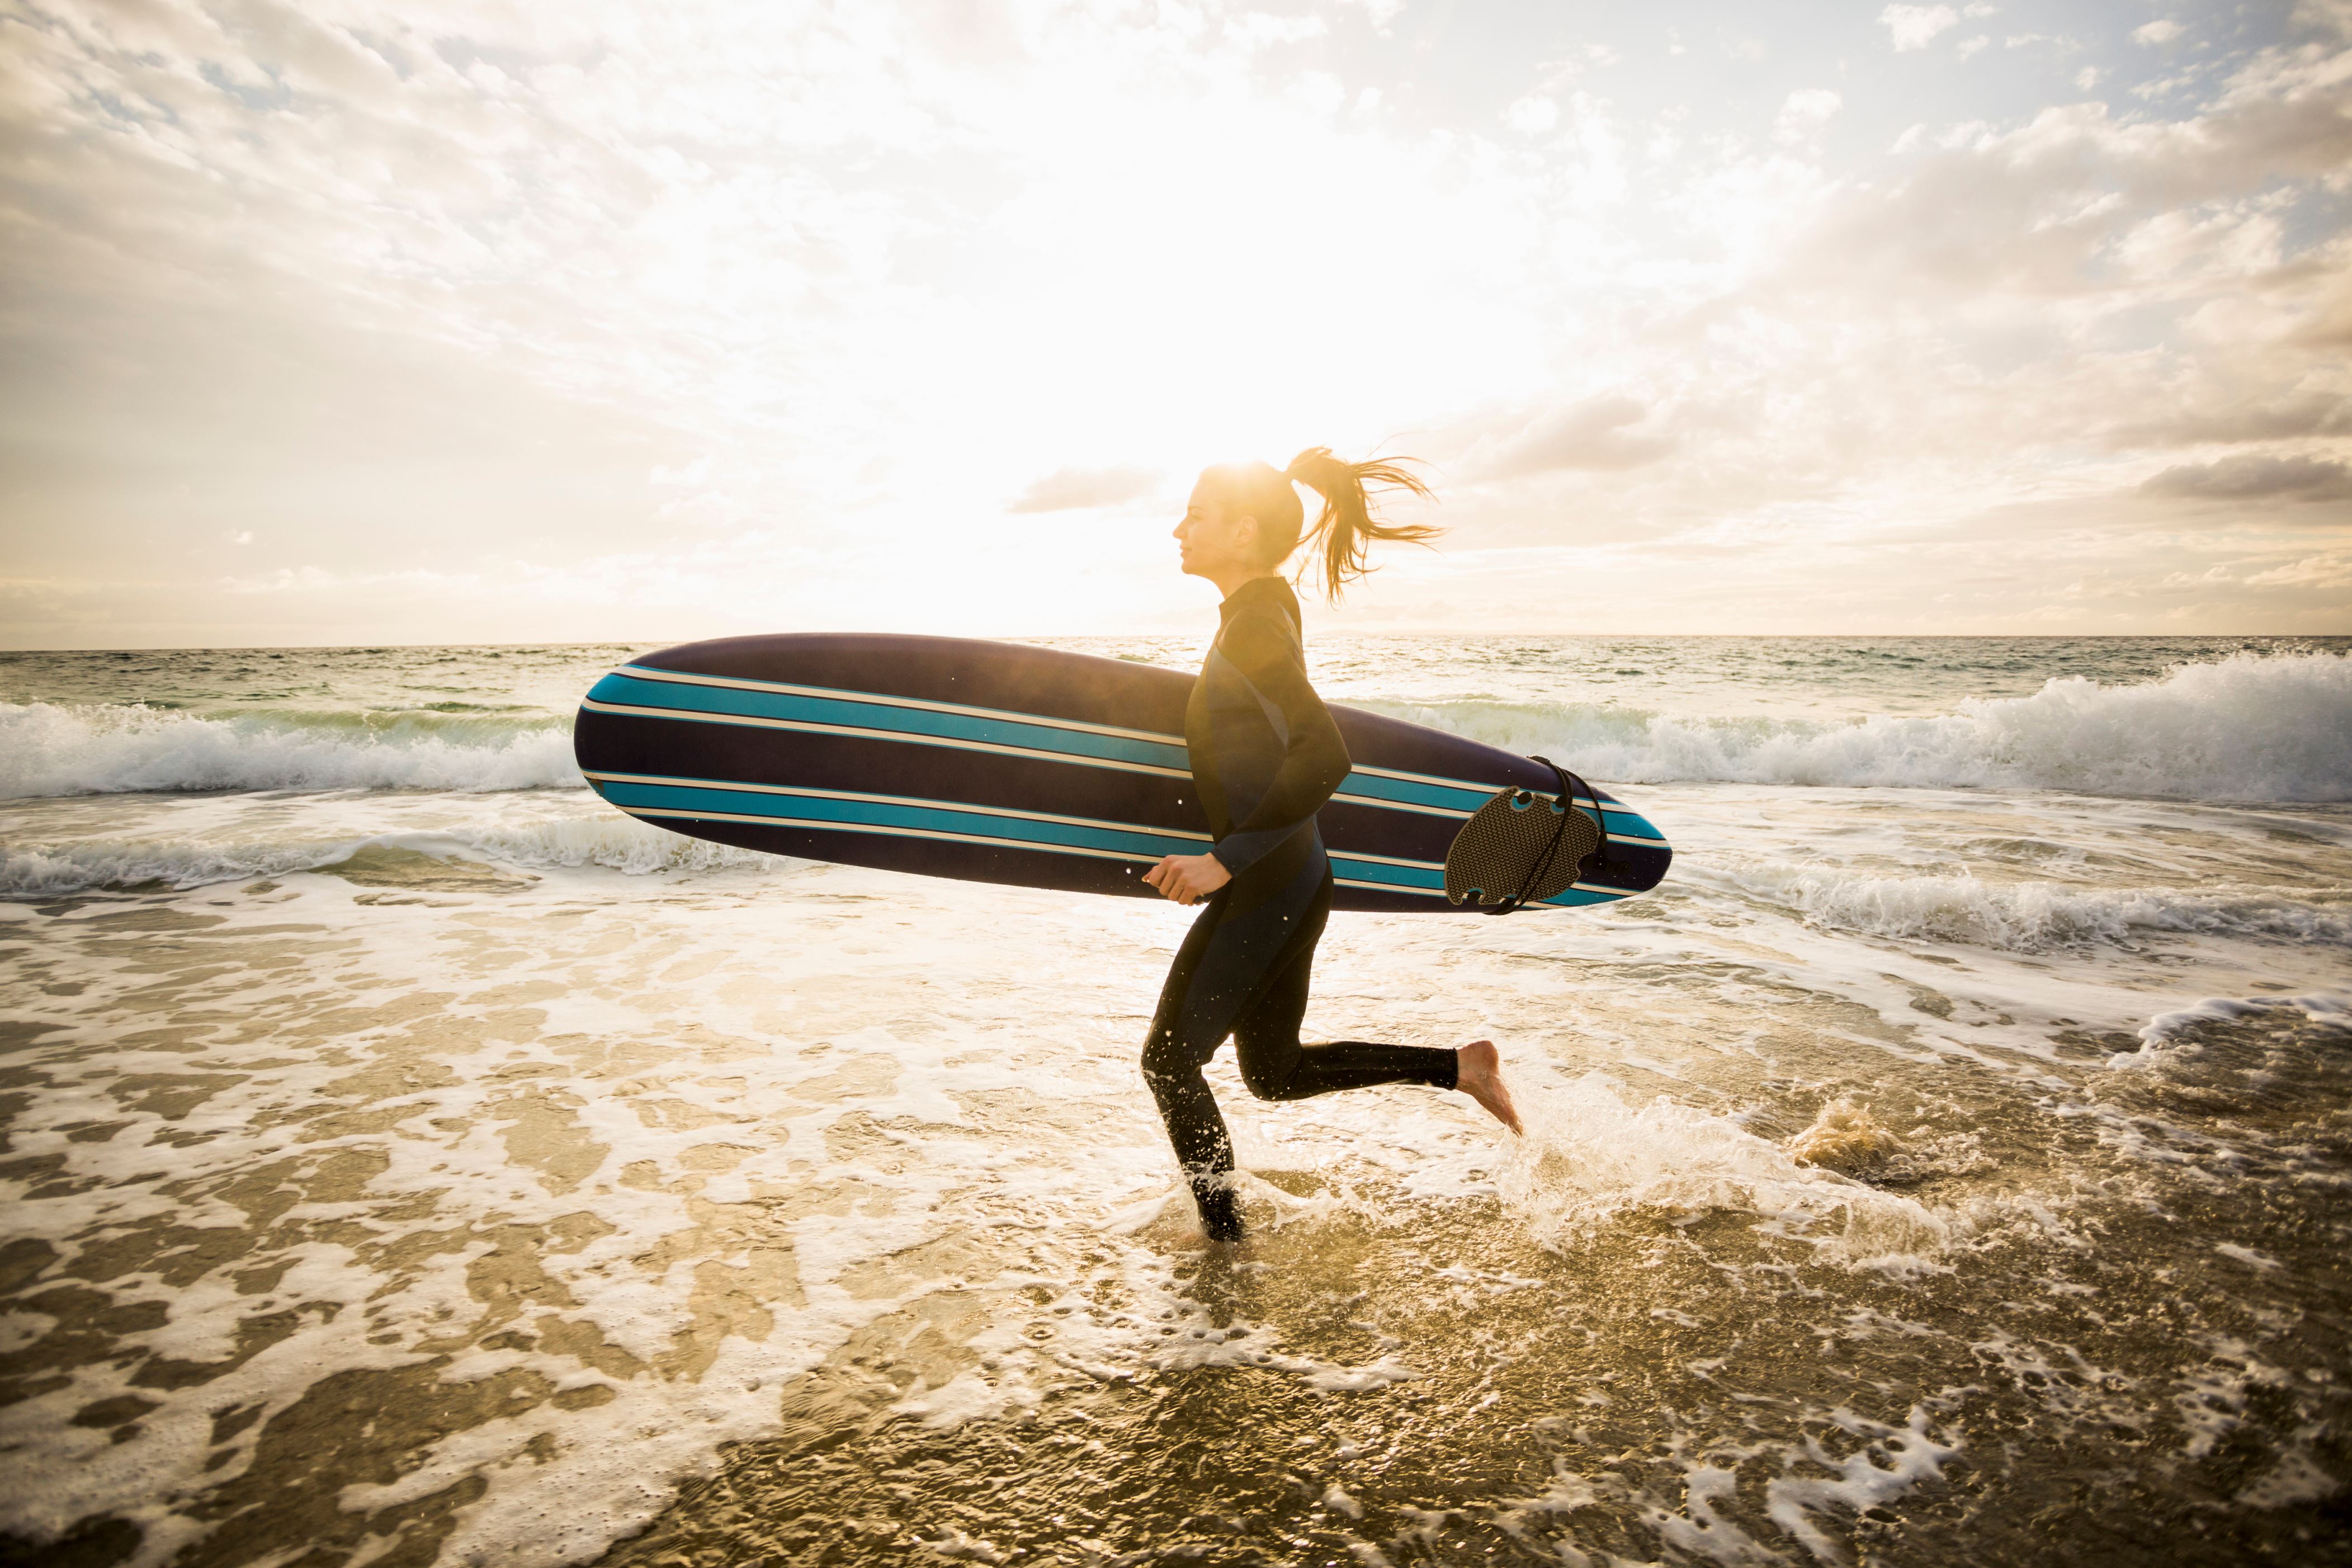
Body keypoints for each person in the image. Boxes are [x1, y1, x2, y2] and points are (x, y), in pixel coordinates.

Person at [1139, 448, 1523, 1243]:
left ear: (1243, 533)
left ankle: (1226, 1247)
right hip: (1291, 875)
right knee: (1273, 1074)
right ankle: (1460, 1066)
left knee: (1169, 1061)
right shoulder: (1261, 610)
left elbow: (1324, 754)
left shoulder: (1252, 626)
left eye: (1196, 515)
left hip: (1269, 880)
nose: (1179, 529)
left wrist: (1224, 860)